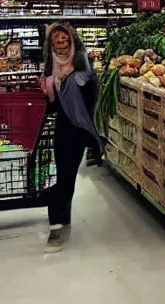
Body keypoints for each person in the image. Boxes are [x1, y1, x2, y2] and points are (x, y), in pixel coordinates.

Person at [40, 23, 103, 253]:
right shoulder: (50, 69)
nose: (60, 40)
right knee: (65, 175)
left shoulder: (81, 62)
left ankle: (61, 219)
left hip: (80, 129)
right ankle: (57, 222)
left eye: (64, 36)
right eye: (56, 37)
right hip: (63, 128)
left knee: (69, 176)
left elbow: (89, 82)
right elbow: (51, 104)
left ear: (72, 40)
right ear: (51, 44)